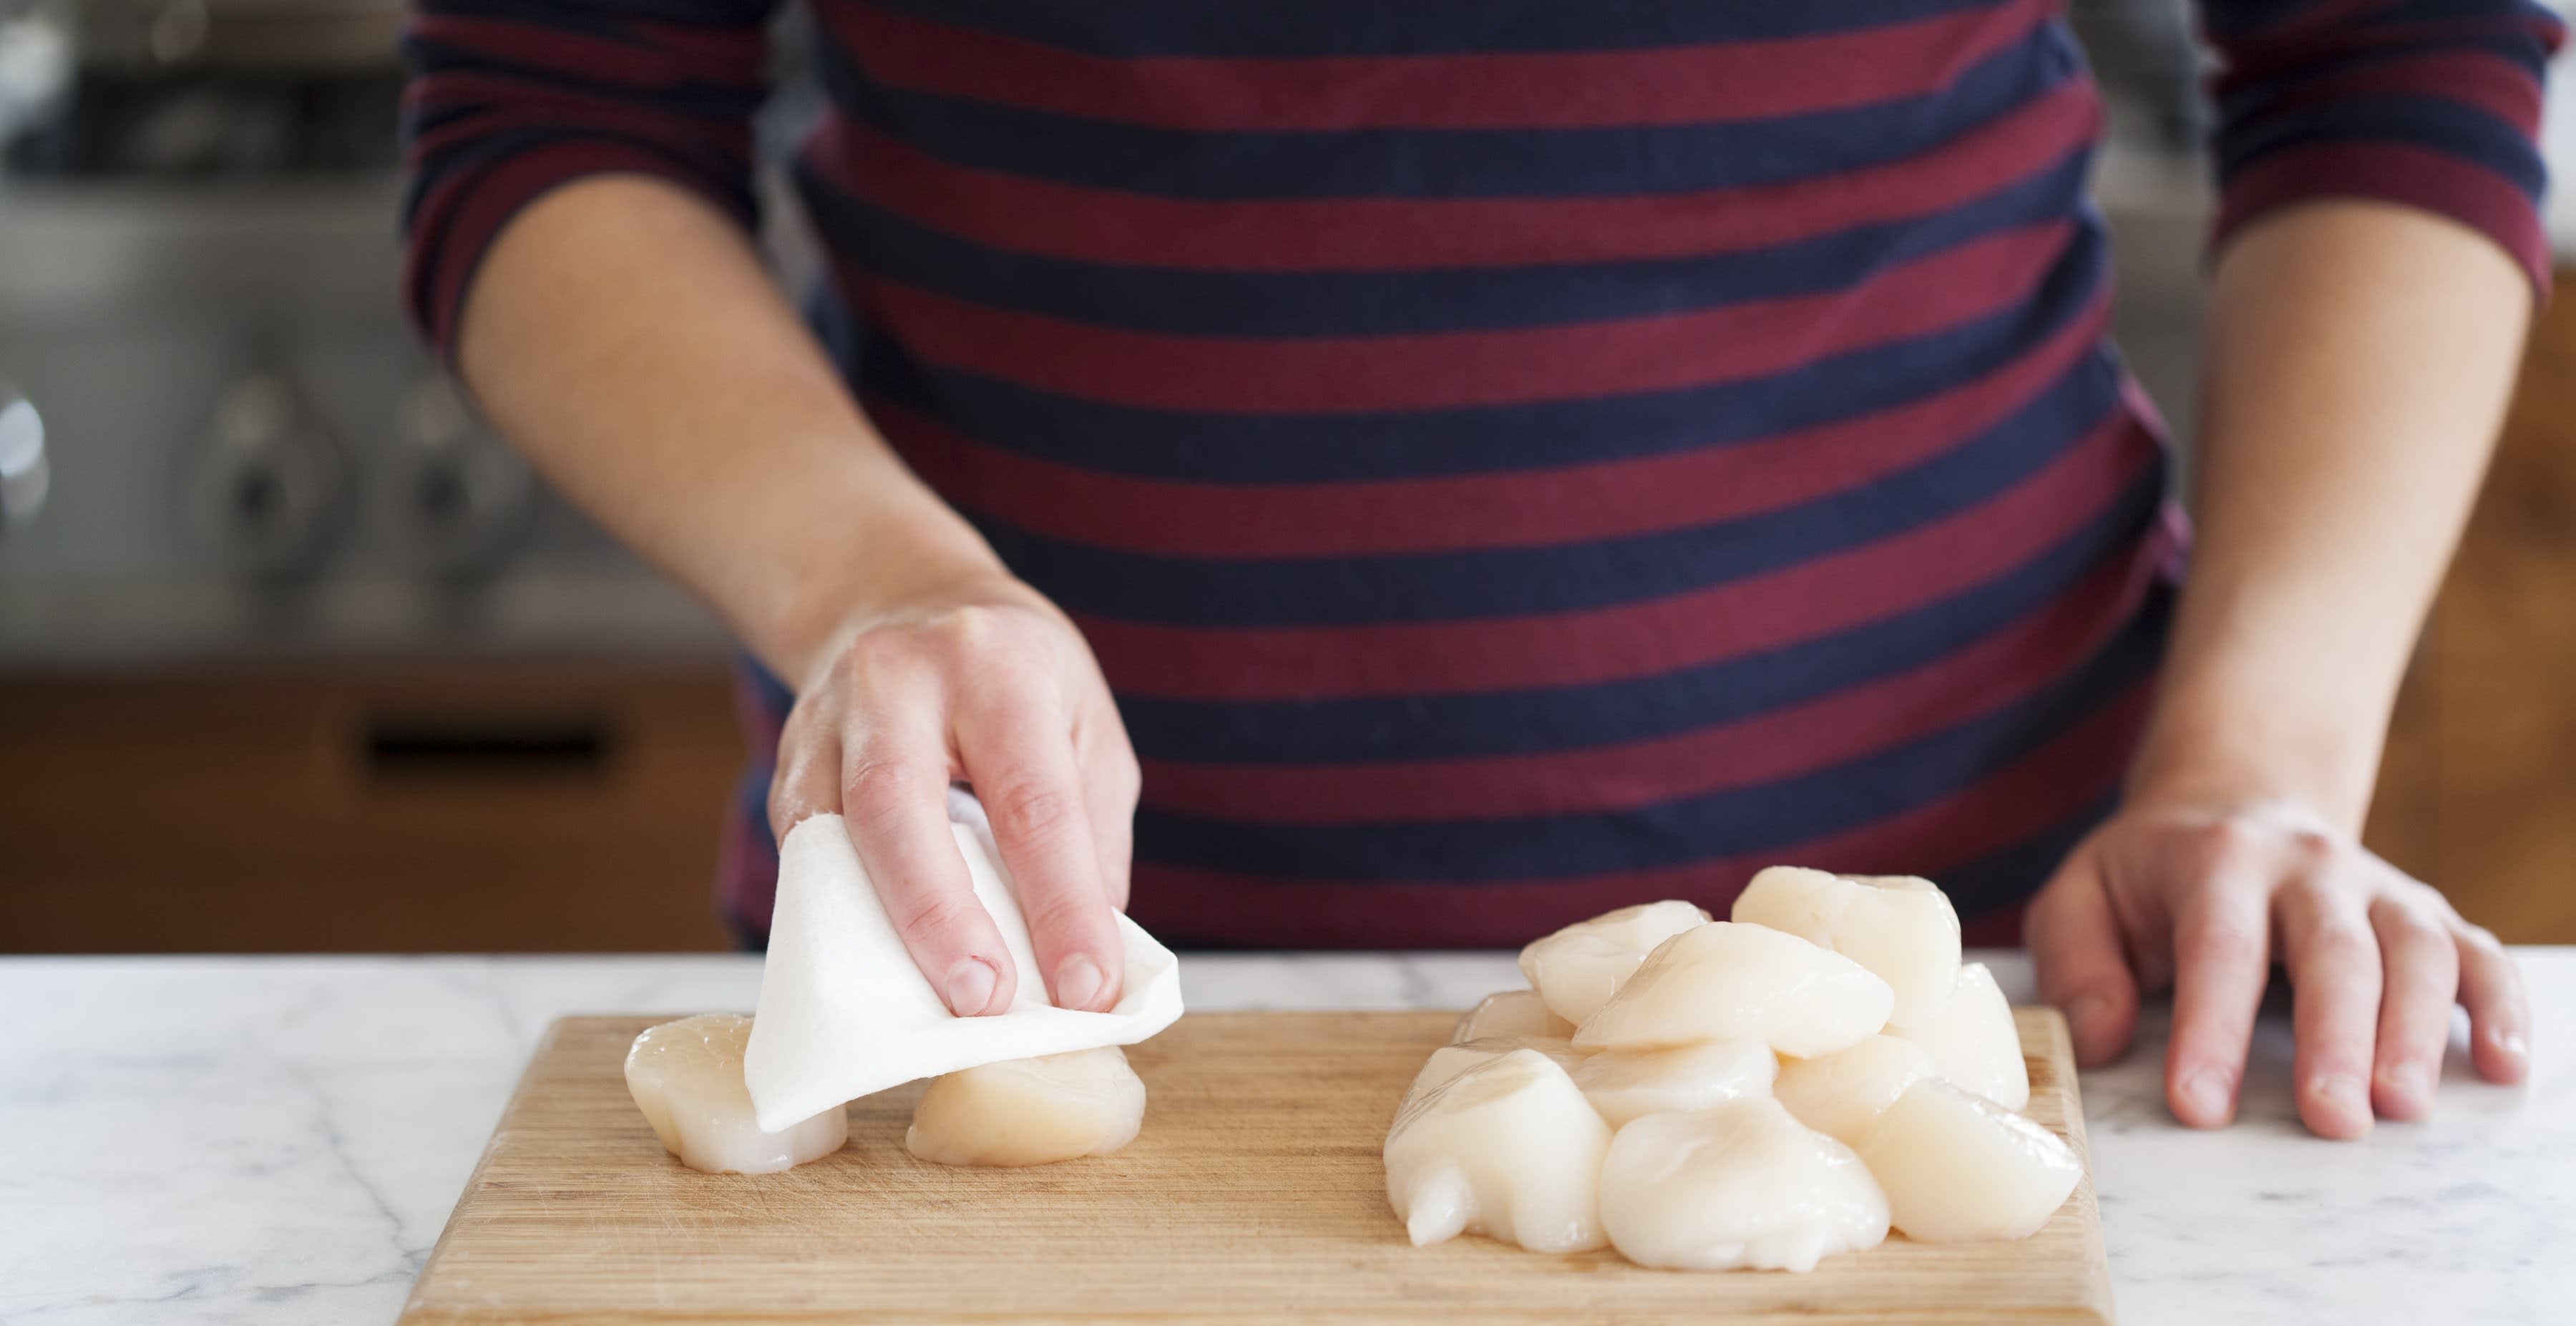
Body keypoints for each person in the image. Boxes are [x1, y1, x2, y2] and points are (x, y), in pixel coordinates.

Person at [403, 1, 2557, 1139]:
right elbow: (551, 106)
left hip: (1996, 1006)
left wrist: (2253, 766)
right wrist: (867, 575)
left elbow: (2389, 56)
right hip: (984, 1006)